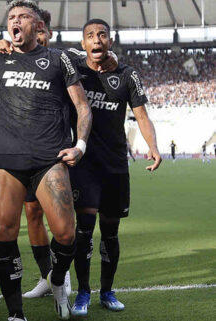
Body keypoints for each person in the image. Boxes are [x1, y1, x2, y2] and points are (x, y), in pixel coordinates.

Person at [0, 1, 92, 319]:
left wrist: (79, 145)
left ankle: (58, 278)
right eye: (11, 17)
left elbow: (82, 107)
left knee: (66, 235)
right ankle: (15, 313)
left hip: (50, 158)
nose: (16, 21)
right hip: (6, 160)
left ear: (38, 26)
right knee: (5, 233)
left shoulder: (58, 58)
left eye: (23, 16)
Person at [64, 19, 161, 316]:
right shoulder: (73, 71)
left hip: (116, 165)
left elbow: (141, 115)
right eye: (90, 36)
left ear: (110, 41)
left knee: (110, 233)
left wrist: (153, 147)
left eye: (102, 35)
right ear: (83, 44)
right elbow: (51, 53)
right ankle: (82, 292)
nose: (97, 39)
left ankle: (107, 291)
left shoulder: (127, 74)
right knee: (84, 230)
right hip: (84, 163)